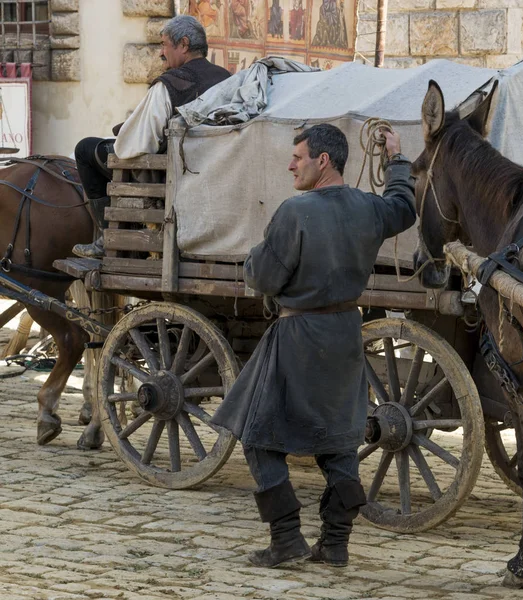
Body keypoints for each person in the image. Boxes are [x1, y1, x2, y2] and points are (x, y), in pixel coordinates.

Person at [211, 123, 416, 568]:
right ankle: (335, 544)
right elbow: (404, 207)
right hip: (345, 335)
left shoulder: (294, 212)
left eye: (298, 156)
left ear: (323, 161)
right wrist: (396, 159)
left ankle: (286, 538)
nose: (290, 164)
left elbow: (263, 278)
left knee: (258, 438)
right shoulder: (371, 209)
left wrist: (252, 259)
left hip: (298, 337)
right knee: (338, 447)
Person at [72, 15, 230, 259]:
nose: (160, 53)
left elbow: (135, 143)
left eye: (164, 44)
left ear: (184, 44)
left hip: (172, 180)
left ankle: (109, 238)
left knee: (86, 150)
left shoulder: (170, 85)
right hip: (216, 175)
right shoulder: (228, 80)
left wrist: (123, 134)